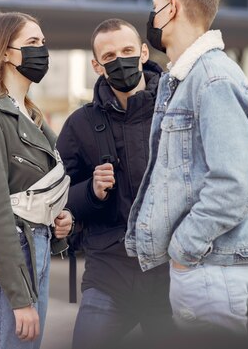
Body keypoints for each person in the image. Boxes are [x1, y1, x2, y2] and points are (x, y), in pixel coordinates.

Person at [126, 0, 248, 335]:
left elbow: (234, 184)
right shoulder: (189, 78)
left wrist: (184, 250)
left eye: (154, 6)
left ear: (170, 9)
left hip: (209, 269)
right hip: (206, 268)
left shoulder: (213, 79)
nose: (151, 17)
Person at [0, 12, 74, 349]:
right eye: (32, 43)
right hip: (5, 260)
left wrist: (58, 220)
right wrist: (20, 299)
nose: (42, 51)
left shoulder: (32, 117)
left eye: (43, 43)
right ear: (5, 52)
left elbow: (38, 189)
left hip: (34, 248)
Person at [57, 18, 172, 349]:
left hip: (168, 274)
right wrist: (90, 193)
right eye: (109, 57)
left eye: (127, 51)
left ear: (144, 52)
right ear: (96, 65)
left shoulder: (176, 111)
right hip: (108, 274)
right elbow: (57, 198)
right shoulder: (80, 124)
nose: (120, 61)